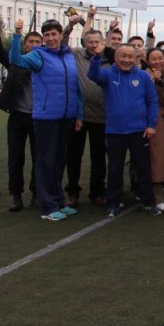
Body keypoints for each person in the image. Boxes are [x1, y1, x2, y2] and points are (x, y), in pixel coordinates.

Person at [8, 18, 84, 221]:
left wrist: (78, 114)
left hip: (66, 117)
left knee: (59, 161)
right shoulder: (38, 55)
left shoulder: (68, 56)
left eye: (54, 34)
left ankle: (58, 201)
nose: (51, 38)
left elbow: (75, 88)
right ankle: (47, 206)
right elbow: (15, 60)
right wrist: (17, 35)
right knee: (46, 161)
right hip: (46, 117)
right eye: (47, 35)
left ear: (61, 35)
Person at [88, 43, 160, 217]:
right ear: (115, 58)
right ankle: (113, 202)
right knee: (114, 168)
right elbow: (93, 75)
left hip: (139, 131)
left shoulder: (143, 76)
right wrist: (97, 57)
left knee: (142, 168)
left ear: (136, 58)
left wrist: (151, 125)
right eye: (123, 56)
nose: (127, 60)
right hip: (115, 132)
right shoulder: (107, 75)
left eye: (131, 57)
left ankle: (148, 201)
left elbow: (152, 101)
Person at [0, 12, 39, 211]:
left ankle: (36, 193)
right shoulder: (15, 61)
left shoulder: (45, 64)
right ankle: (16, 195)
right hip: (18, 116)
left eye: (38, 42)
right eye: (31, 41)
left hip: (39, 118)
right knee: (15, 157)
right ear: (24, 45)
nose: (35, 45)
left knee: (39, 157)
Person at [62, 19, 107, 208]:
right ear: (84, 43)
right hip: (78, 115)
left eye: (97, 41)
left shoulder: (110, 57)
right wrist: (69, 27)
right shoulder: (76, 54)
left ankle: (97, 192)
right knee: (74, 156)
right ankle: (73, 192)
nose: (94, 45)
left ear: (102, 42)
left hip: (101, 115)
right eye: (90, 42)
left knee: (98, 157)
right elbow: (62, 44)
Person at [145, 48, 164, 212]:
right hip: (154, 118)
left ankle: (163, 193)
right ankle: (157, 197)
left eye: (160, 58)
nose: (157, 62)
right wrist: (157, 82)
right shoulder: (145, 75)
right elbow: (161, 97)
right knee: (157, 157)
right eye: (153, 59)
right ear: (147, 60)